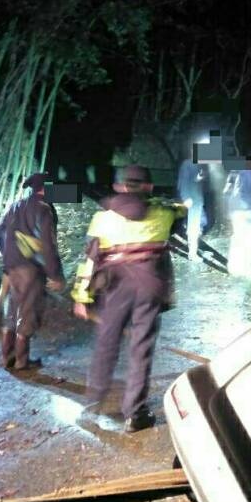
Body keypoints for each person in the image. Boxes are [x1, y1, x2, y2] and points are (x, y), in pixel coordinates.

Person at [71, 164, 186, 432]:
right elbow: (183, 211)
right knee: (141, 347)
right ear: (148, 186)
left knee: (106, 343)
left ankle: (92, 405)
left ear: (120, 186)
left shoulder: (104, 218)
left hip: (116, 284)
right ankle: (135, 414)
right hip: (149, 284)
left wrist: (81, 296)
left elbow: (90, 260)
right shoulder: (163, 213)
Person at [0, 172, 65, 371]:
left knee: (12, 311)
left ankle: (7, 356)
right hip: (31, 269)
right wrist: (55, 275)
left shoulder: (15, 206)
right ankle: (21, 361)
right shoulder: (44, 209)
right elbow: (48, 246)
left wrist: (7, 254)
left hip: (11, 268)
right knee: (27, 312)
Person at [176, 147, 208, 263]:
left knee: (202, 222)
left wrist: (200, 178)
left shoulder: (198, 165)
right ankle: (192, 254)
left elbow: (195, 180)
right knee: (194, 226)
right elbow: (183, 182)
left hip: (198, 200)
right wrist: (186, 198)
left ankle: (194, 246)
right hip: (192, 200)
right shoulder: (187, 164)